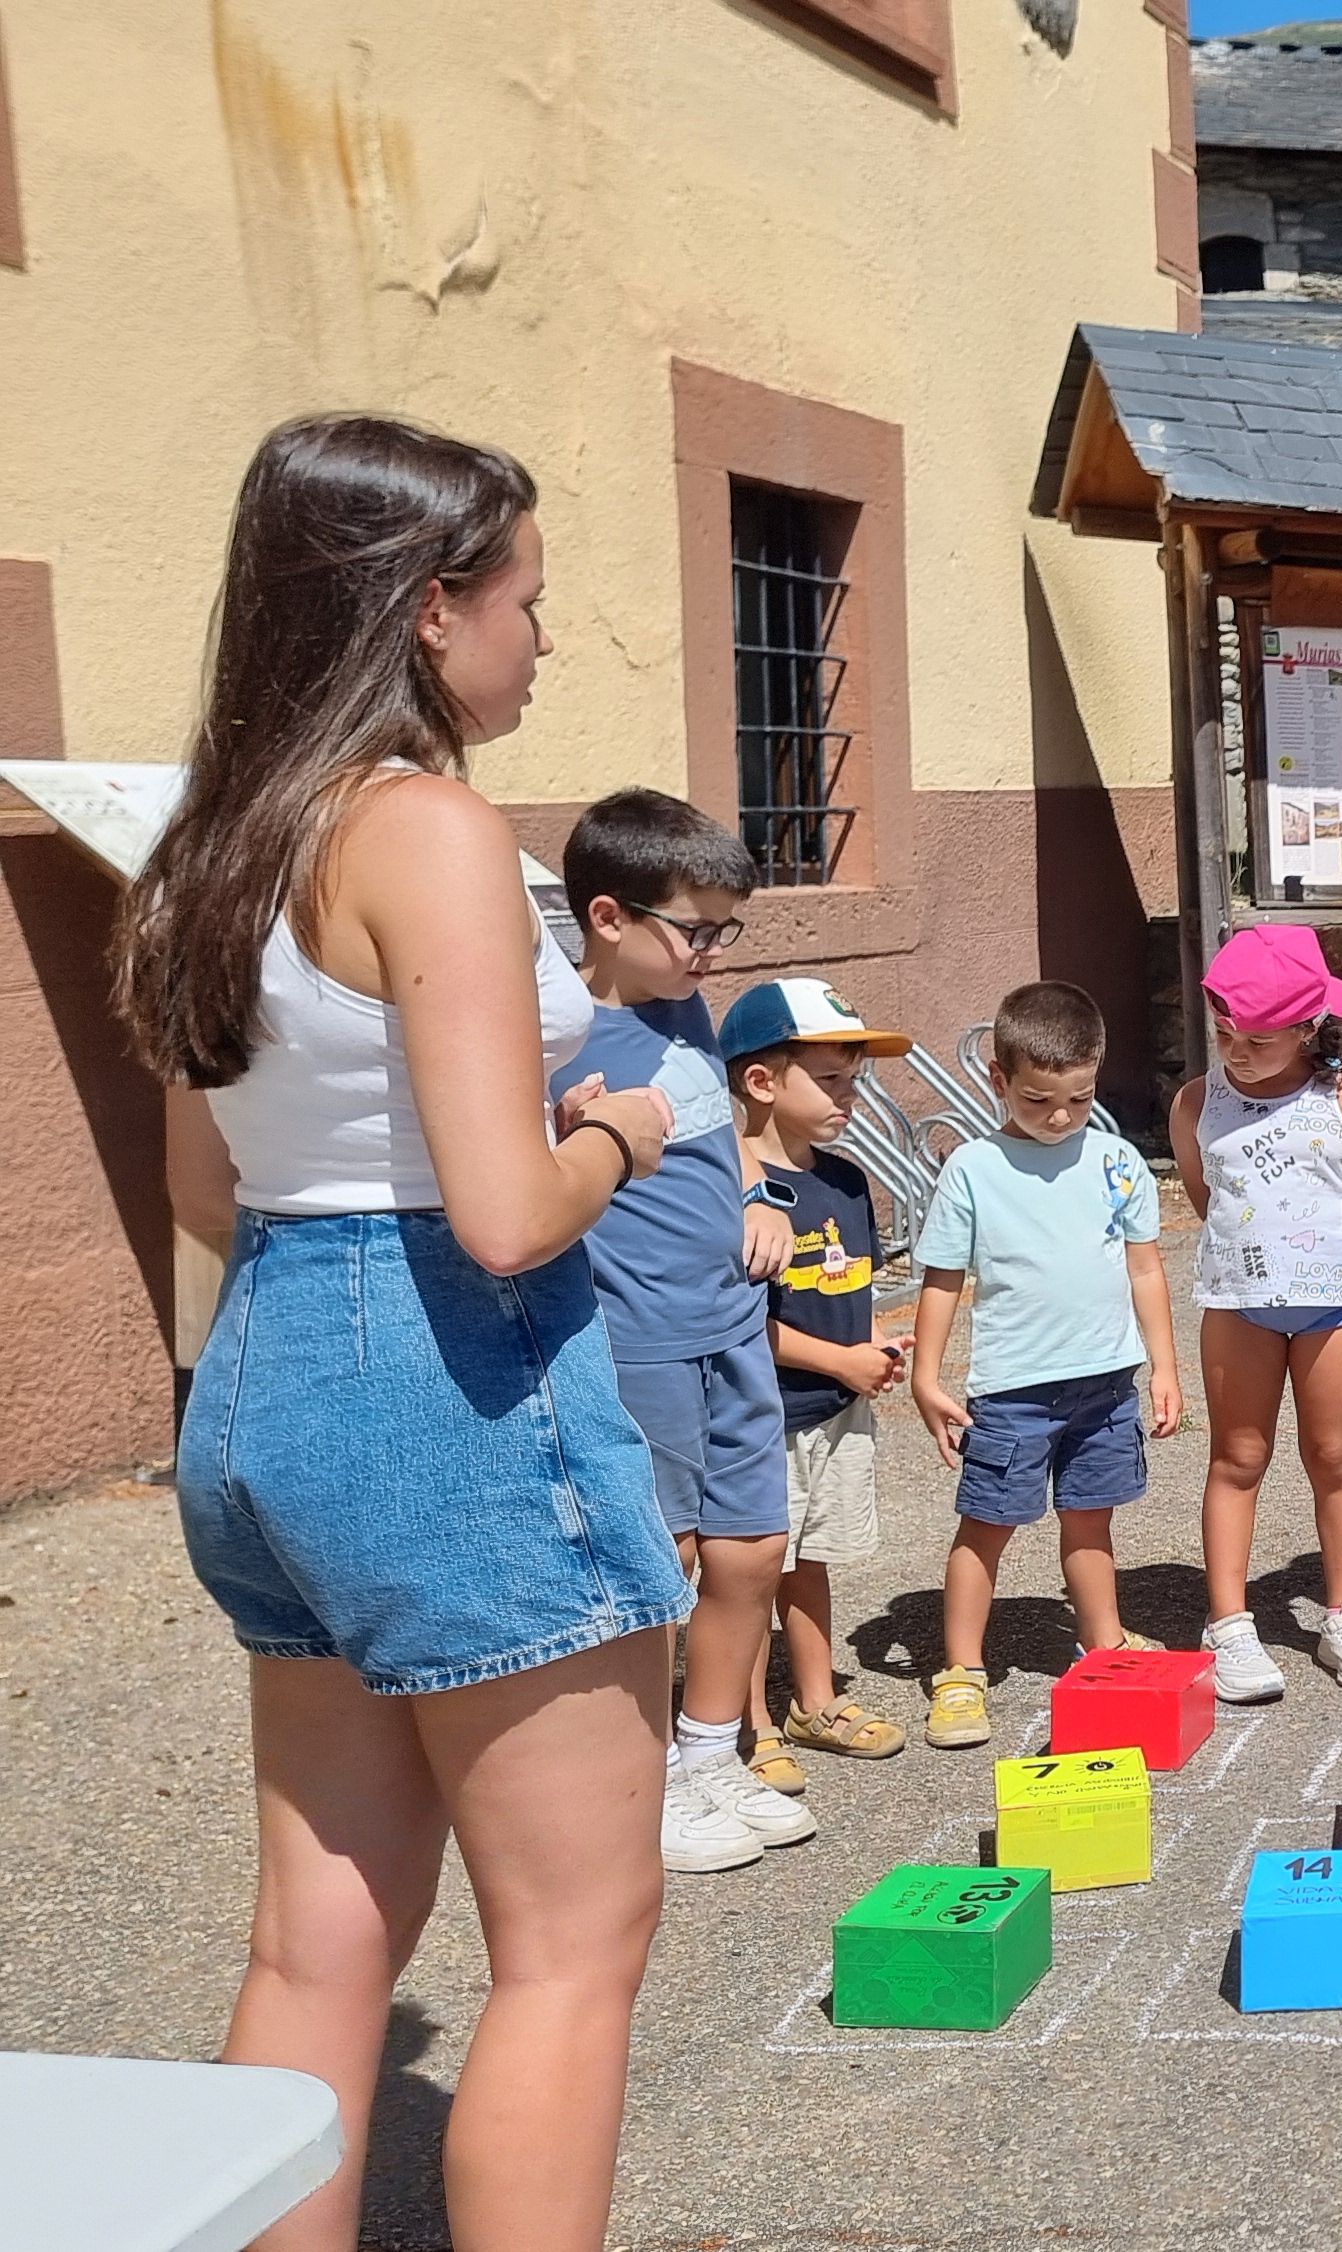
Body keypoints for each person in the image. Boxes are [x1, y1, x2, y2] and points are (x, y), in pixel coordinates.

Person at [123, 415, 682, 2250]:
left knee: (317, 1938)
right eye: (527, 598)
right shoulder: (424, 826)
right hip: (446, 1363)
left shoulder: (211, 837)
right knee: (569, 1948)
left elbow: (206, 1194)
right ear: (433, 611)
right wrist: (624, 1124)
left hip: (270, 1360)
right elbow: (505, 1208)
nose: (545, 639)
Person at [554, 789, 811, 1872]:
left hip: (731, 1323)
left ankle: (710, 1754)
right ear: (608, 916)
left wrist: (760, 1198)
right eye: (693, 928)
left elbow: (723, 1141)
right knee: (664, 1559)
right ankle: (641, 1778)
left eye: (724, 930)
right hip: (636, 1338)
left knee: (754, 1548)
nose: (711, 953)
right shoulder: (554, 1034)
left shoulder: (684, 1010)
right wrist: (562, 1132)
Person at [908, 981, 1184, 1747]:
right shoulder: (973, 1168)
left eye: (1078, 1097)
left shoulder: (1118, 1160)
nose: (1060, 1116)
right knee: (987, 1526)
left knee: (1091, 1522)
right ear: (998, 1080)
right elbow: (942, 1278)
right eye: (1037, 1100)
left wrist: (1163, 1365)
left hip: (1105, 1384)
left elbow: (1145, 1269)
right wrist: (925, 1377)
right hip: (1013, 1391)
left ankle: (1106, 1643)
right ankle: (961, 1671)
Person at [1170, 925, 1342, 1699]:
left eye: (1260, 1040)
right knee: (1237, 1457)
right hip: (1239, 1304)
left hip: (1337, 1304)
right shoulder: (1198, 1102)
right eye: (1225, 1033)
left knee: (1336, 1457)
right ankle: (1229, 1623)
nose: (1238, 1051)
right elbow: (1208, 1200)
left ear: (1309, 1028)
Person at [720, 978, 914, 1792]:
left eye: (854, 1080)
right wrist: (838, 1362)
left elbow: (849, 1292)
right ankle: (751, 1724)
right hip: (761, 1415)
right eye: (831, 1080)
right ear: (762, 1082)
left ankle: (816, 1700)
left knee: (813, 1560)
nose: (850, 1096)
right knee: (754, 1566)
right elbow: (737, 1322)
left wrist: (871, 1343)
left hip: (835, 1411)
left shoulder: (844, 1180)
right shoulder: (730, 1191)